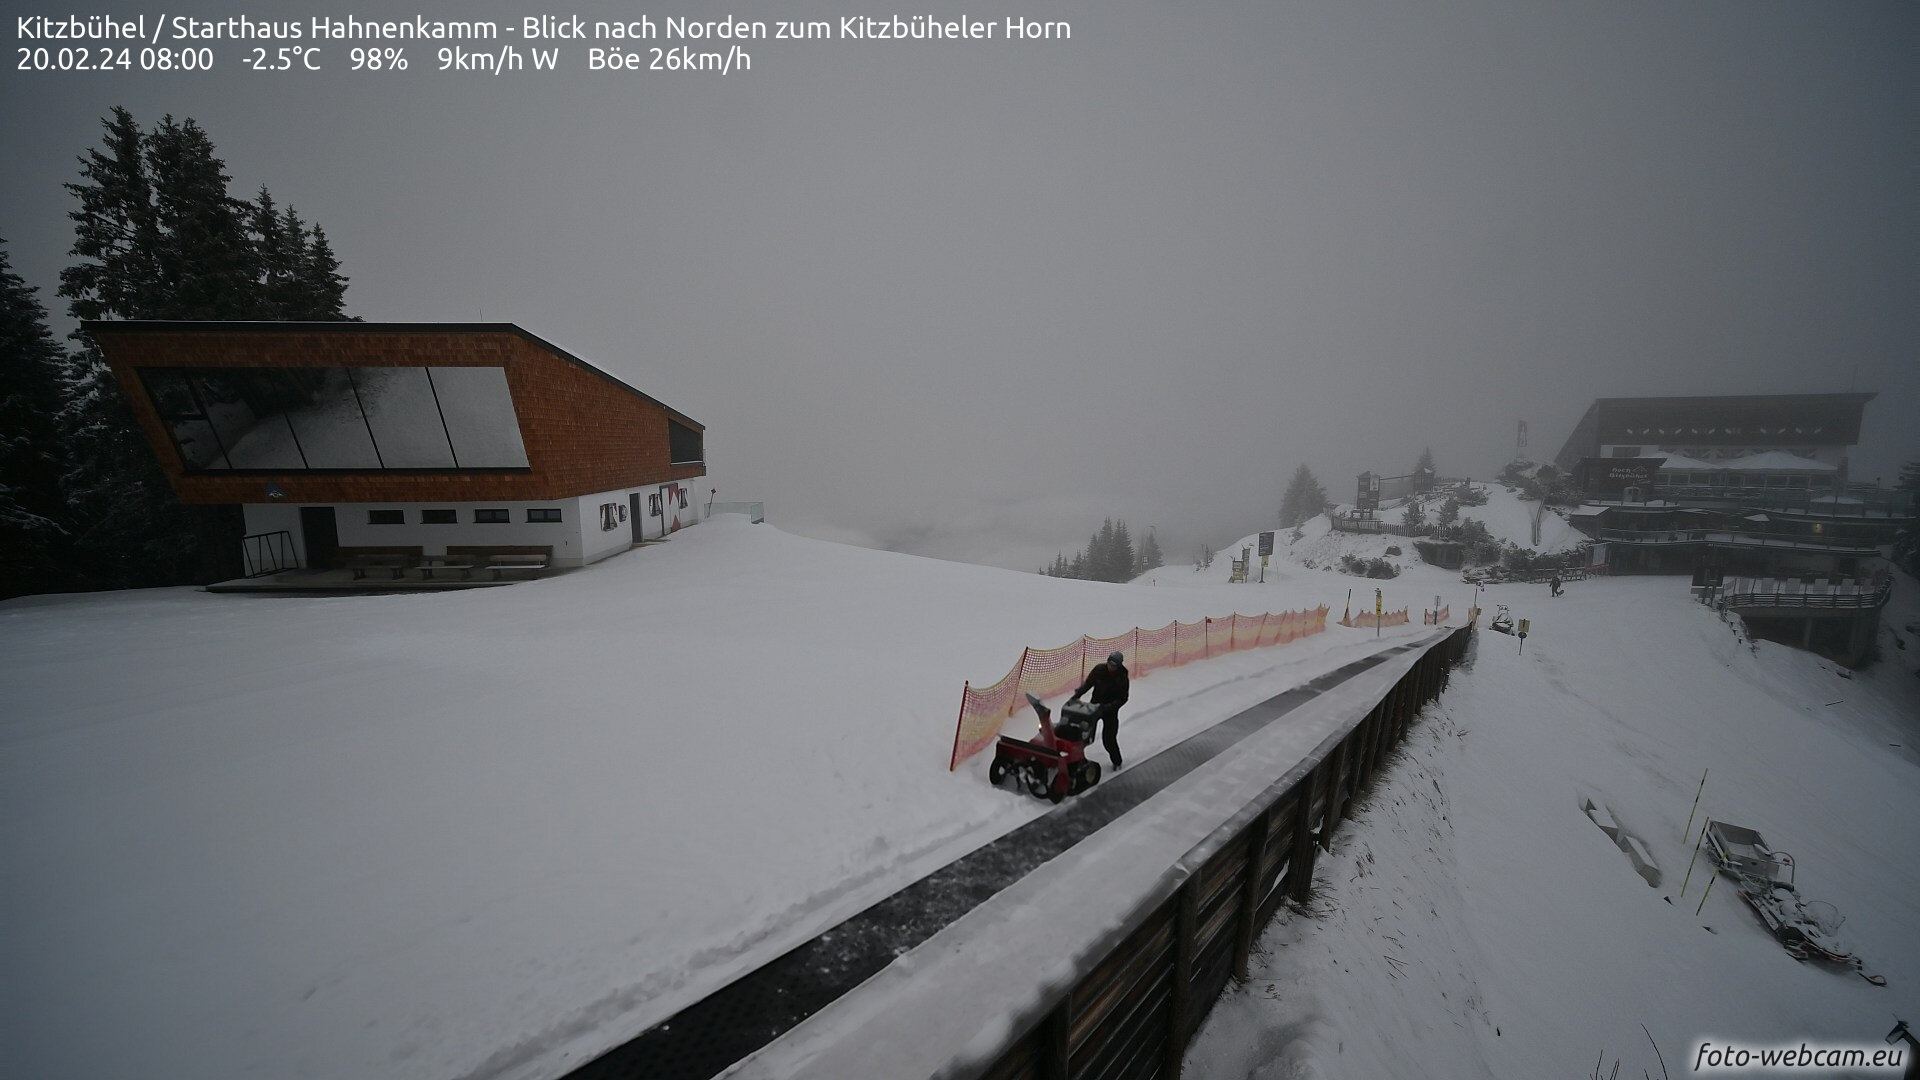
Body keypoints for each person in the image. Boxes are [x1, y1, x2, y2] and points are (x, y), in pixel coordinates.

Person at [1069, 651, 1130, 770]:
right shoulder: (1099, 670)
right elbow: (1087, 685)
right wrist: (1075, 697)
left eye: (1114, 665)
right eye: (1110, 663)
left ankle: (1117, 762)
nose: (1111, 667)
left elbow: (1123, 698)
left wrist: (1108, 707)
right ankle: (1078, 761)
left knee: (1109, 740)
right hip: (1094, 708)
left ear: (1119, 666)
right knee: (1083, 735)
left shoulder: (1122, 677)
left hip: (1110, 712)